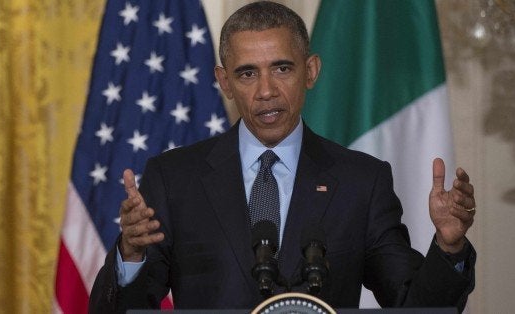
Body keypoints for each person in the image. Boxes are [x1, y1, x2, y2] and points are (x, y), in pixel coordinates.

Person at [89, 1, 476, 313]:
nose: (266, 91)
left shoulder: (361, 181)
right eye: (247, 74)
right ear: (224, 82)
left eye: (282, 68)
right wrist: (131, 254)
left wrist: (449, 247)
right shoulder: (174, 179)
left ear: (310, 71)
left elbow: (413, 306)